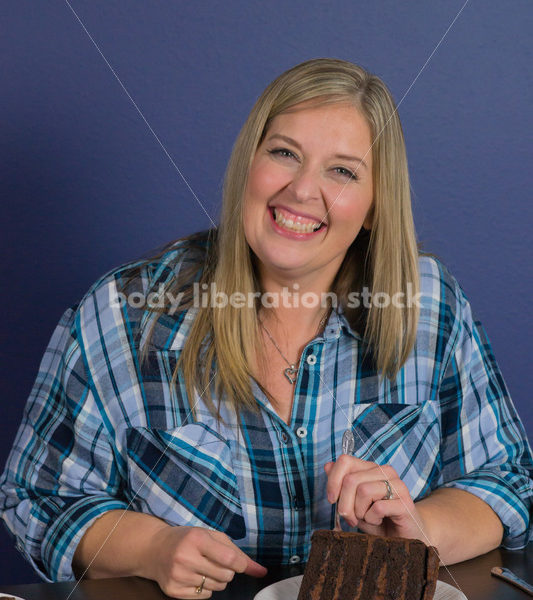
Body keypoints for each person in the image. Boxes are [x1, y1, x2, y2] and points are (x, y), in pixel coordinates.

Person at [1, 58, 532, 599]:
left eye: (343, 170)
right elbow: (36, 498)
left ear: (375, 206)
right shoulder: (125, 312)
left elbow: (508, 480)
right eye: (284, 153)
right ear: (247, 164)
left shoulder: (429, 303)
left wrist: (421, 530)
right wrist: (151, 548)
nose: (302, 190)